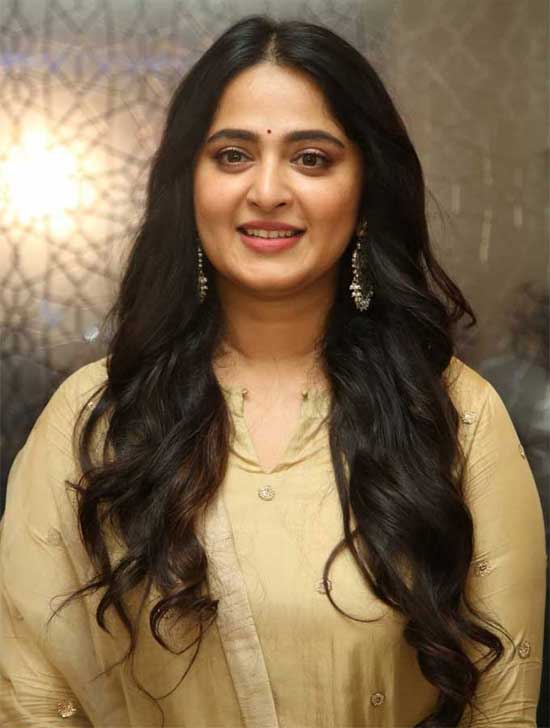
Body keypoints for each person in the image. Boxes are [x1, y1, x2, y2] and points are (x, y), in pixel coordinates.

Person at [0, 14, 546, 728]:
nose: (267, 190)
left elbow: (502, 705)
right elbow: (32, 693)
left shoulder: (453, 416)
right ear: (188, 184)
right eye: (232, 155)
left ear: (365, 189)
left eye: (311, 158)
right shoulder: (97, 417)